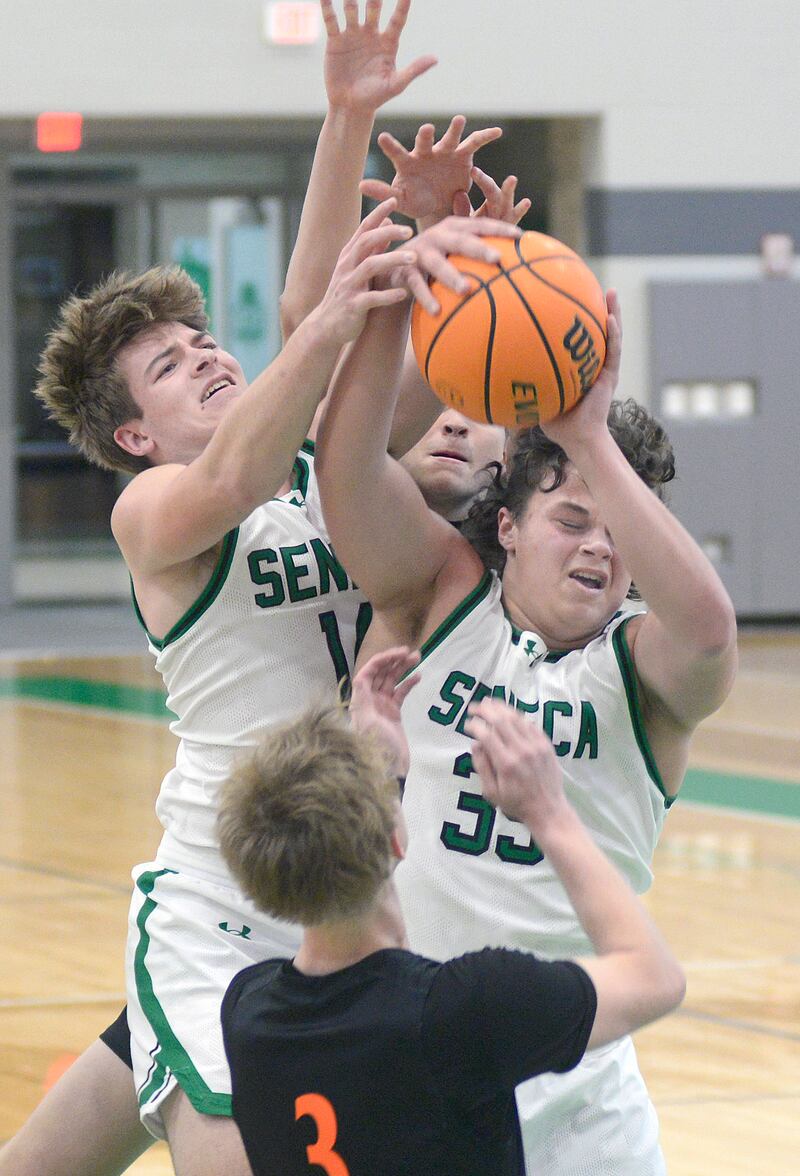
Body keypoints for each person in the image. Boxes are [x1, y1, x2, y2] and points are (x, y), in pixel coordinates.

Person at [0, 9, 527, 1175]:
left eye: (201, 337)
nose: (206, 355)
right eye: (171, 365)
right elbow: (265, 414)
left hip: (330, 880)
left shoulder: (324, 470)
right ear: (134, 433)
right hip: (215, 894)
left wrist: (418, 215)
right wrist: (339, 313)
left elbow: (352, 352)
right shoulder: (154, 513)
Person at [314, 275, 738, 1173]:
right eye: (572, 519)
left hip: (582, 1087)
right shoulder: (446, 595)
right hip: (424, 1060)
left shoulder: (644, 668)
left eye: (620, 531)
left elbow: (710, 631)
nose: (598, 547)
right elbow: (344, 467)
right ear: (506, 525)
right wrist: (404, 297)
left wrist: (586, 432)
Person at [217, 646, 685, 1176]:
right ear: (397, 840)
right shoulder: (460, 1011)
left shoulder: (248, 1013)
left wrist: (382, 772)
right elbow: (655, 979)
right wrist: (548, 812)